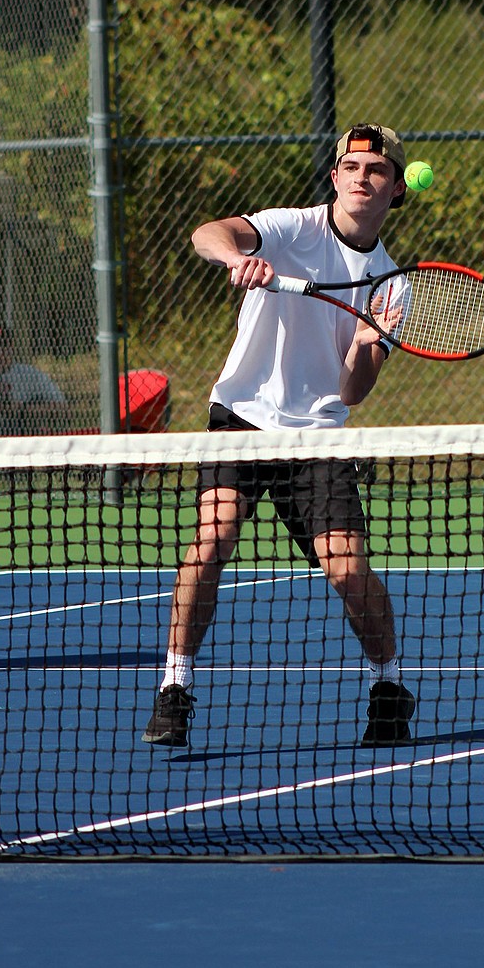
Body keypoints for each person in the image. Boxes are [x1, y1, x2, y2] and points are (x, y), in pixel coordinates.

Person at [144, 123, 416, 750]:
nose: (360, 176)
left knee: (348, 570)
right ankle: (175, 688)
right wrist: (237, 257)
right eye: (350, 166)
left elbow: (351, 392)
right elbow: (206, 233)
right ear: (335, 177)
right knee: (211, 543)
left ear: (396, 189)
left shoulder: (390, 283)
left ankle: (389, 684)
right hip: (239, 415)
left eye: (375, 170)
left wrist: (369, 345)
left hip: (318, 437)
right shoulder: (293, 227)